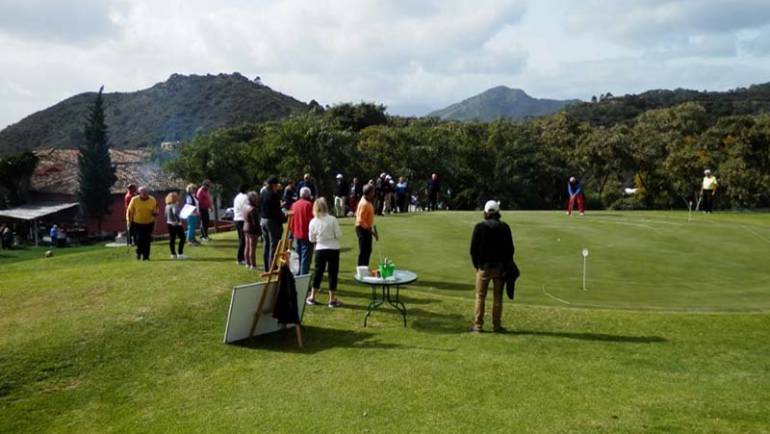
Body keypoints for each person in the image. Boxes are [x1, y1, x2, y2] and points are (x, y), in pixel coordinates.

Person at [469, 200, 514, 333]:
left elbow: (473, 250)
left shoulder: (480, 227)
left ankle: (478, 325)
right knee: (498, 297)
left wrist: (476, 265)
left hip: (483, 267)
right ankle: (496, 325)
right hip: (499, 268)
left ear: (485, 212)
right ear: (498, 212)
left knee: (480, 296)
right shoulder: (504, 227)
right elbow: (510, 249)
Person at [307, 198, 343, 308]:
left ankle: (312, 296)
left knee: (318, 273)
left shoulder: (313, 221)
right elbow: (338, 234)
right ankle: (332, 299)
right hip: (333, 248)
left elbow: (311, 239)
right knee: (333, 274)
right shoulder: (332, 219)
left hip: (320, 248)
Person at [126, 186, 158, 261]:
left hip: (149, 222)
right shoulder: (134, 200)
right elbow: (130, 211)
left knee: (147, 240)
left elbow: (156, 209)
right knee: (139, 239)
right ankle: (138, 253)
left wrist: (155, 214)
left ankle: (146, 256)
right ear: (139, 193)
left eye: (146, 192)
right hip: (137, 223)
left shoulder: (152, 200)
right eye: (143, 192)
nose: (144, 194)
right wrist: (129, 221)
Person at [260, 176, 284, 271]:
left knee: (266, 244)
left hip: (263, 219)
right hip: (272, 221)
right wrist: (283, 218)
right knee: (274, 245)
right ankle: (272, 266)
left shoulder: (263, 192)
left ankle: (267, 266)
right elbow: (277, 211)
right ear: (273, 185)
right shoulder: (273, 195)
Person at [290, 187, 314, 275]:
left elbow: (291, 221)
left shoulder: (294, 205)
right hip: (305, 234)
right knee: (305, 258)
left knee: (298, 257)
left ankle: (297, 275)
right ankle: (303, 277)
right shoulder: (309, 205)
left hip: (296, 233)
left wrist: (292, 231)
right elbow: (311, 221)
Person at [355, 184, 378, 266]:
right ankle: (361, 269)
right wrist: (370, 231)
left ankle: (364, 267)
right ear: (369, 193)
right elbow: (360, 220)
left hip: (366, 228)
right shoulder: (364, 204)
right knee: (364, 250)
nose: (374, 193)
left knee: (368, 250)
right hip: (362, 228)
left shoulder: (367, 201)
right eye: (373, 192)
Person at [165, 191, 186, 259]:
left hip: (169, 223)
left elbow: (165, 215)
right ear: (174, 198)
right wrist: (178, 220)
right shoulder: (174, 205)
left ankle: (173, 254)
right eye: (176, 196)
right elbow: (175, 213)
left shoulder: (167, 206)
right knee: (182, 238)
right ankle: (180, 254)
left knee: (172, 239)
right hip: (176, 224)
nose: (178, 197)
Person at [242, 191, 260, 269]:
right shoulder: (253, 209)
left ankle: (247, 263)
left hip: (245, 227)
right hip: (252, 230)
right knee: (252, 248)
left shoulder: (245, 207)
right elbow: (255, 223)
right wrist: (259, 232)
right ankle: (253, 265)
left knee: (247, 246)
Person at [233, 184, 249, 265]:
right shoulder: (245, 197)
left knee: (241, 239)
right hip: (242, 219)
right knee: (243, 240)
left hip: (236, 218)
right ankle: (240, 258)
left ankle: (241, 257)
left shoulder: (237, 197)